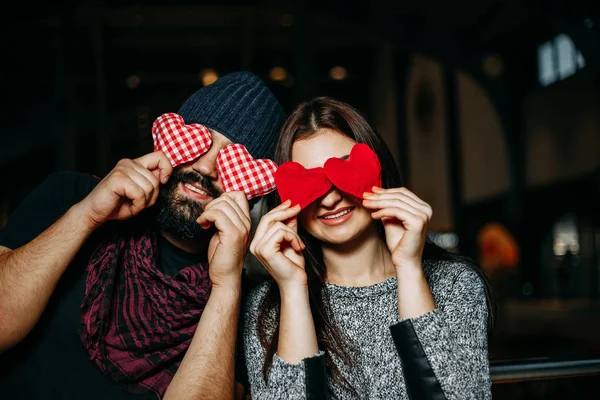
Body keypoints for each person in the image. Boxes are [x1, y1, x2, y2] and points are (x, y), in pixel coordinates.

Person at [0, 71, 286, 400]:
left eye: (234, 158)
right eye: (200, 140)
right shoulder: (70, 194)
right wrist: (87, 215)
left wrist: (226, 284)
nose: (206, 168)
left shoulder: (253, 305)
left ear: (254, 190)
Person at [242, 97, 495, 399]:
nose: (330, 200)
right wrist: (294, 290)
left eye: (344, 169)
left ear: (378, 168)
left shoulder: (454, 283)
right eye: (311, 181)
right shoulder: (267, 307)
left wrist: (410, 269)